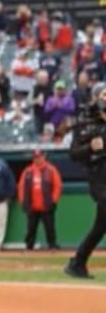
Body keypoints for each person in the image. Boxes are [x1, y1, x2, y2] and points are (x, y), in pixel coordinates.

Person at [65, 82, 106, 278]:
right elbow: (73, 153)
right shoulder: (86, 123)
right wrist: (90, 147)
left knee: (100, 227)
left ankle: (77, 263)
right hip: (99, 175)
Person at [17, 148, 62, 250]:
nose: (38, 159)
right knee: (31, 228)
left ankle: (52, 245)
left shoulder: (51, 170)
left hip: (46, 204)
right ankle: (29, 246)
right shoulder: (28, 171)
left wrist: (54, 200)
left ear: (44, 157)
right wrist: (22, 201)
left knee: (49, 227)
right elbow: (21, 187)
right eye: (35, 157)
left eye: (39, 157)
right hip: (32, 205)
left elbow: (57, 186)